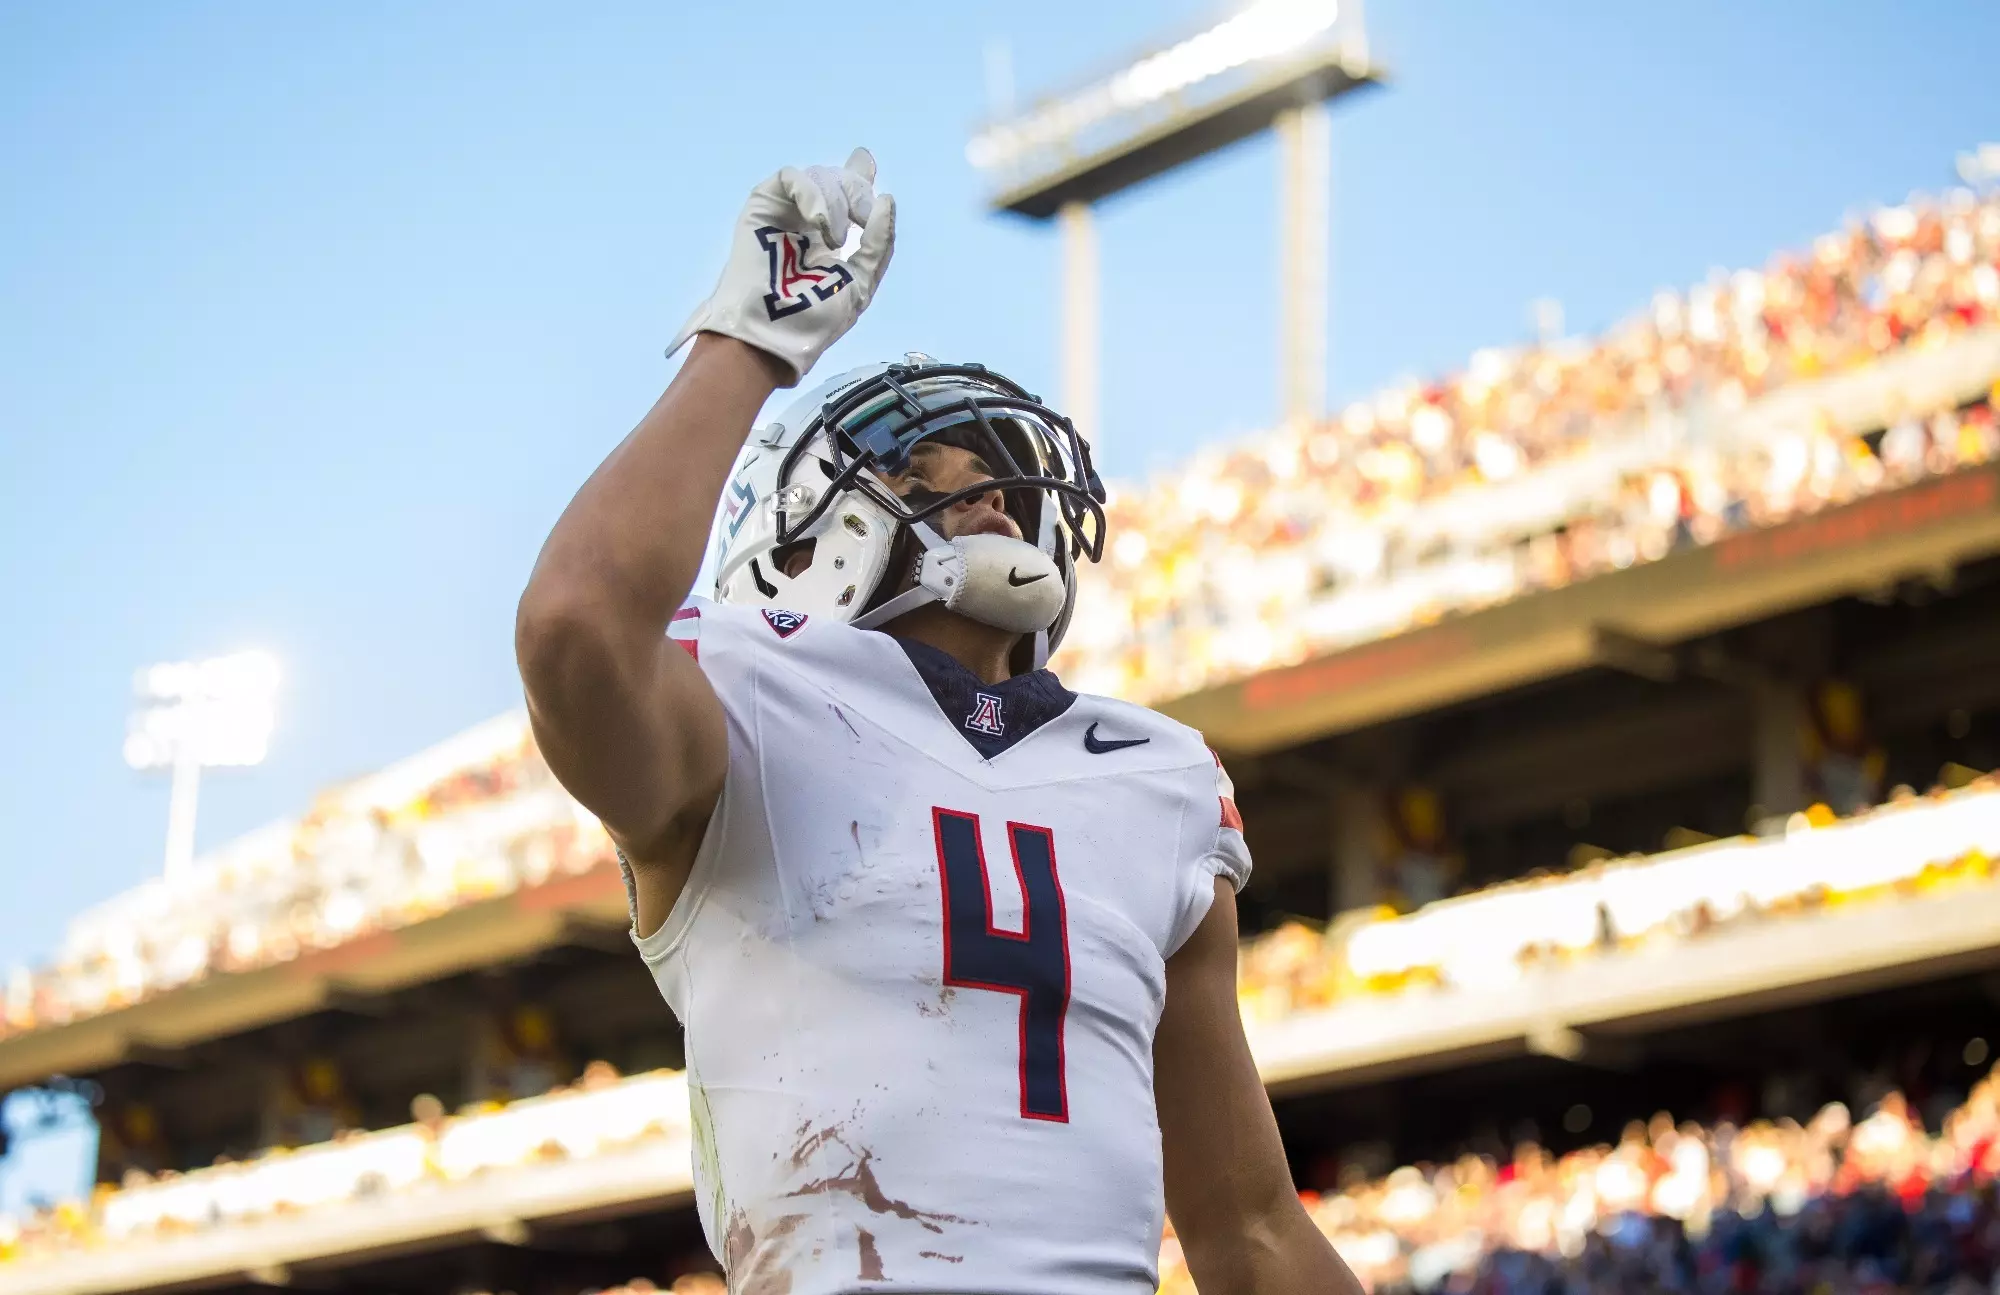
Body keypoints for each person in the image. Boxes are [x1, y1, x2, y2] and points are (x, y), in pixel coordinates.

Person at [515, 148, 1360, 1295]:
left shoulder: (1157, 774)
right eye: (928, 471)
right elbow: (573, 622)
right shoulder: (746, 699)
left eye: (1000, 478)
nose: (994, 497)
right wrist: (748, 341)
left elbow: (1249, 1228)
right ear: (799, 548)